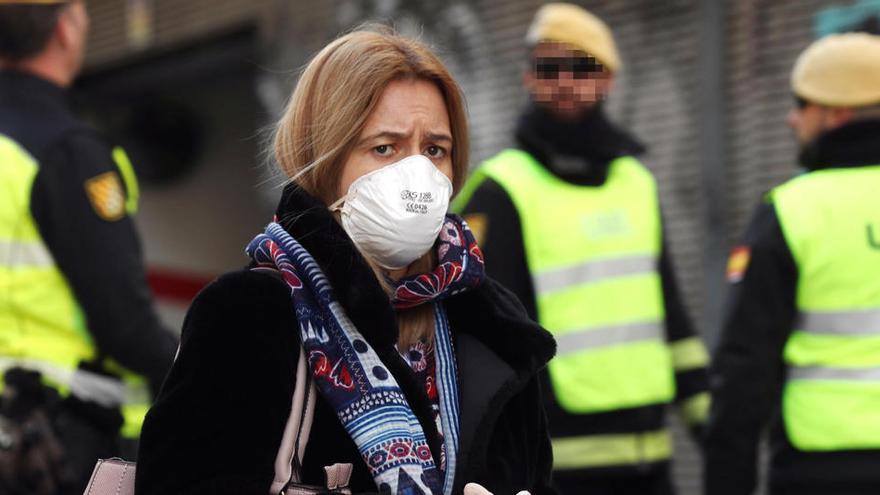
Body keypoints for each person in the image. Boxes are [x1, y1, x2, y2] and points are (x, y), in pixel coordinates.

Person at [134, 27, 557, 495]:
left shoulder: (494, 327)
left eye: (435, 149)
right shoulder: (251, 312)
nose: (416, 174)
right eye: (384, 148)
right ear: (323, 160)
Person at [452, 4, 710, 494]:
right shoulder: (500, 190)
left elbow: (670, 317)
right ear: (529, 78)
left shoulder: (637, 183)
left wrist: (713, 431)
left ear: (609, 78)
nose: (565, 81)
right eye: (550, 67)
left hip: (649, 459)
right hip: (554, 465)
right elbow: (484, 335)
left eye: (582, 67)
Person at [0, 0, 177, 492]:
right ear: (65, 29)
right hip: (64, 441)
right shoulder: (69, 152)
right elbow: (125, 325)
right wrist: (196, 367)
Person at [704, 32, 880, 495]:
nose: (791, 118)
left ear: (835, 112)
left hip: (822, 471)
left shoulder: (792, 212)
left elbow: (744, 372)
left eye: (801, 104)